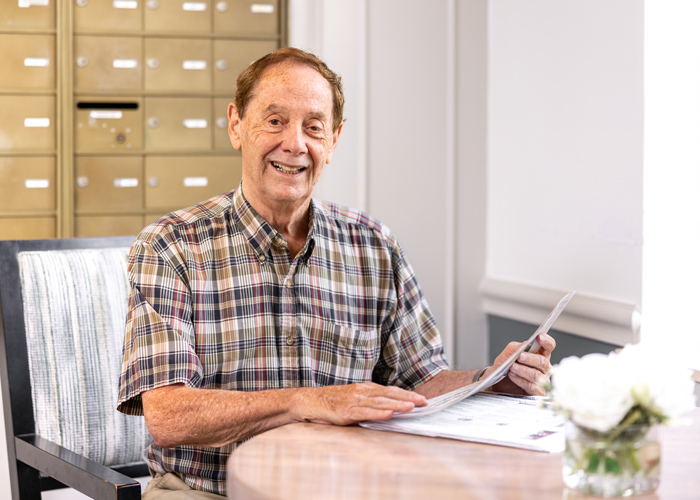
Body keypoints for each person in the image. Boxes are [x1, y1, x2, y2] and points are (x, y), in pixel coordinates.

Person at [117, 47, 556, 499]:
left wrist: (488, 380)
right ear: (236, 125)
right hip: (207, 491)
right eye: (274, 121)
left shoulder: (375, 246)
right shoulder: (170, 245)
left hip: (345, 488)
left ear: (334, 141)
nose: (295, 144)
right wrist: (308, 401)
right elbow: (168, 415)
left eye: (313, 127)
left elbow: (421, 380)